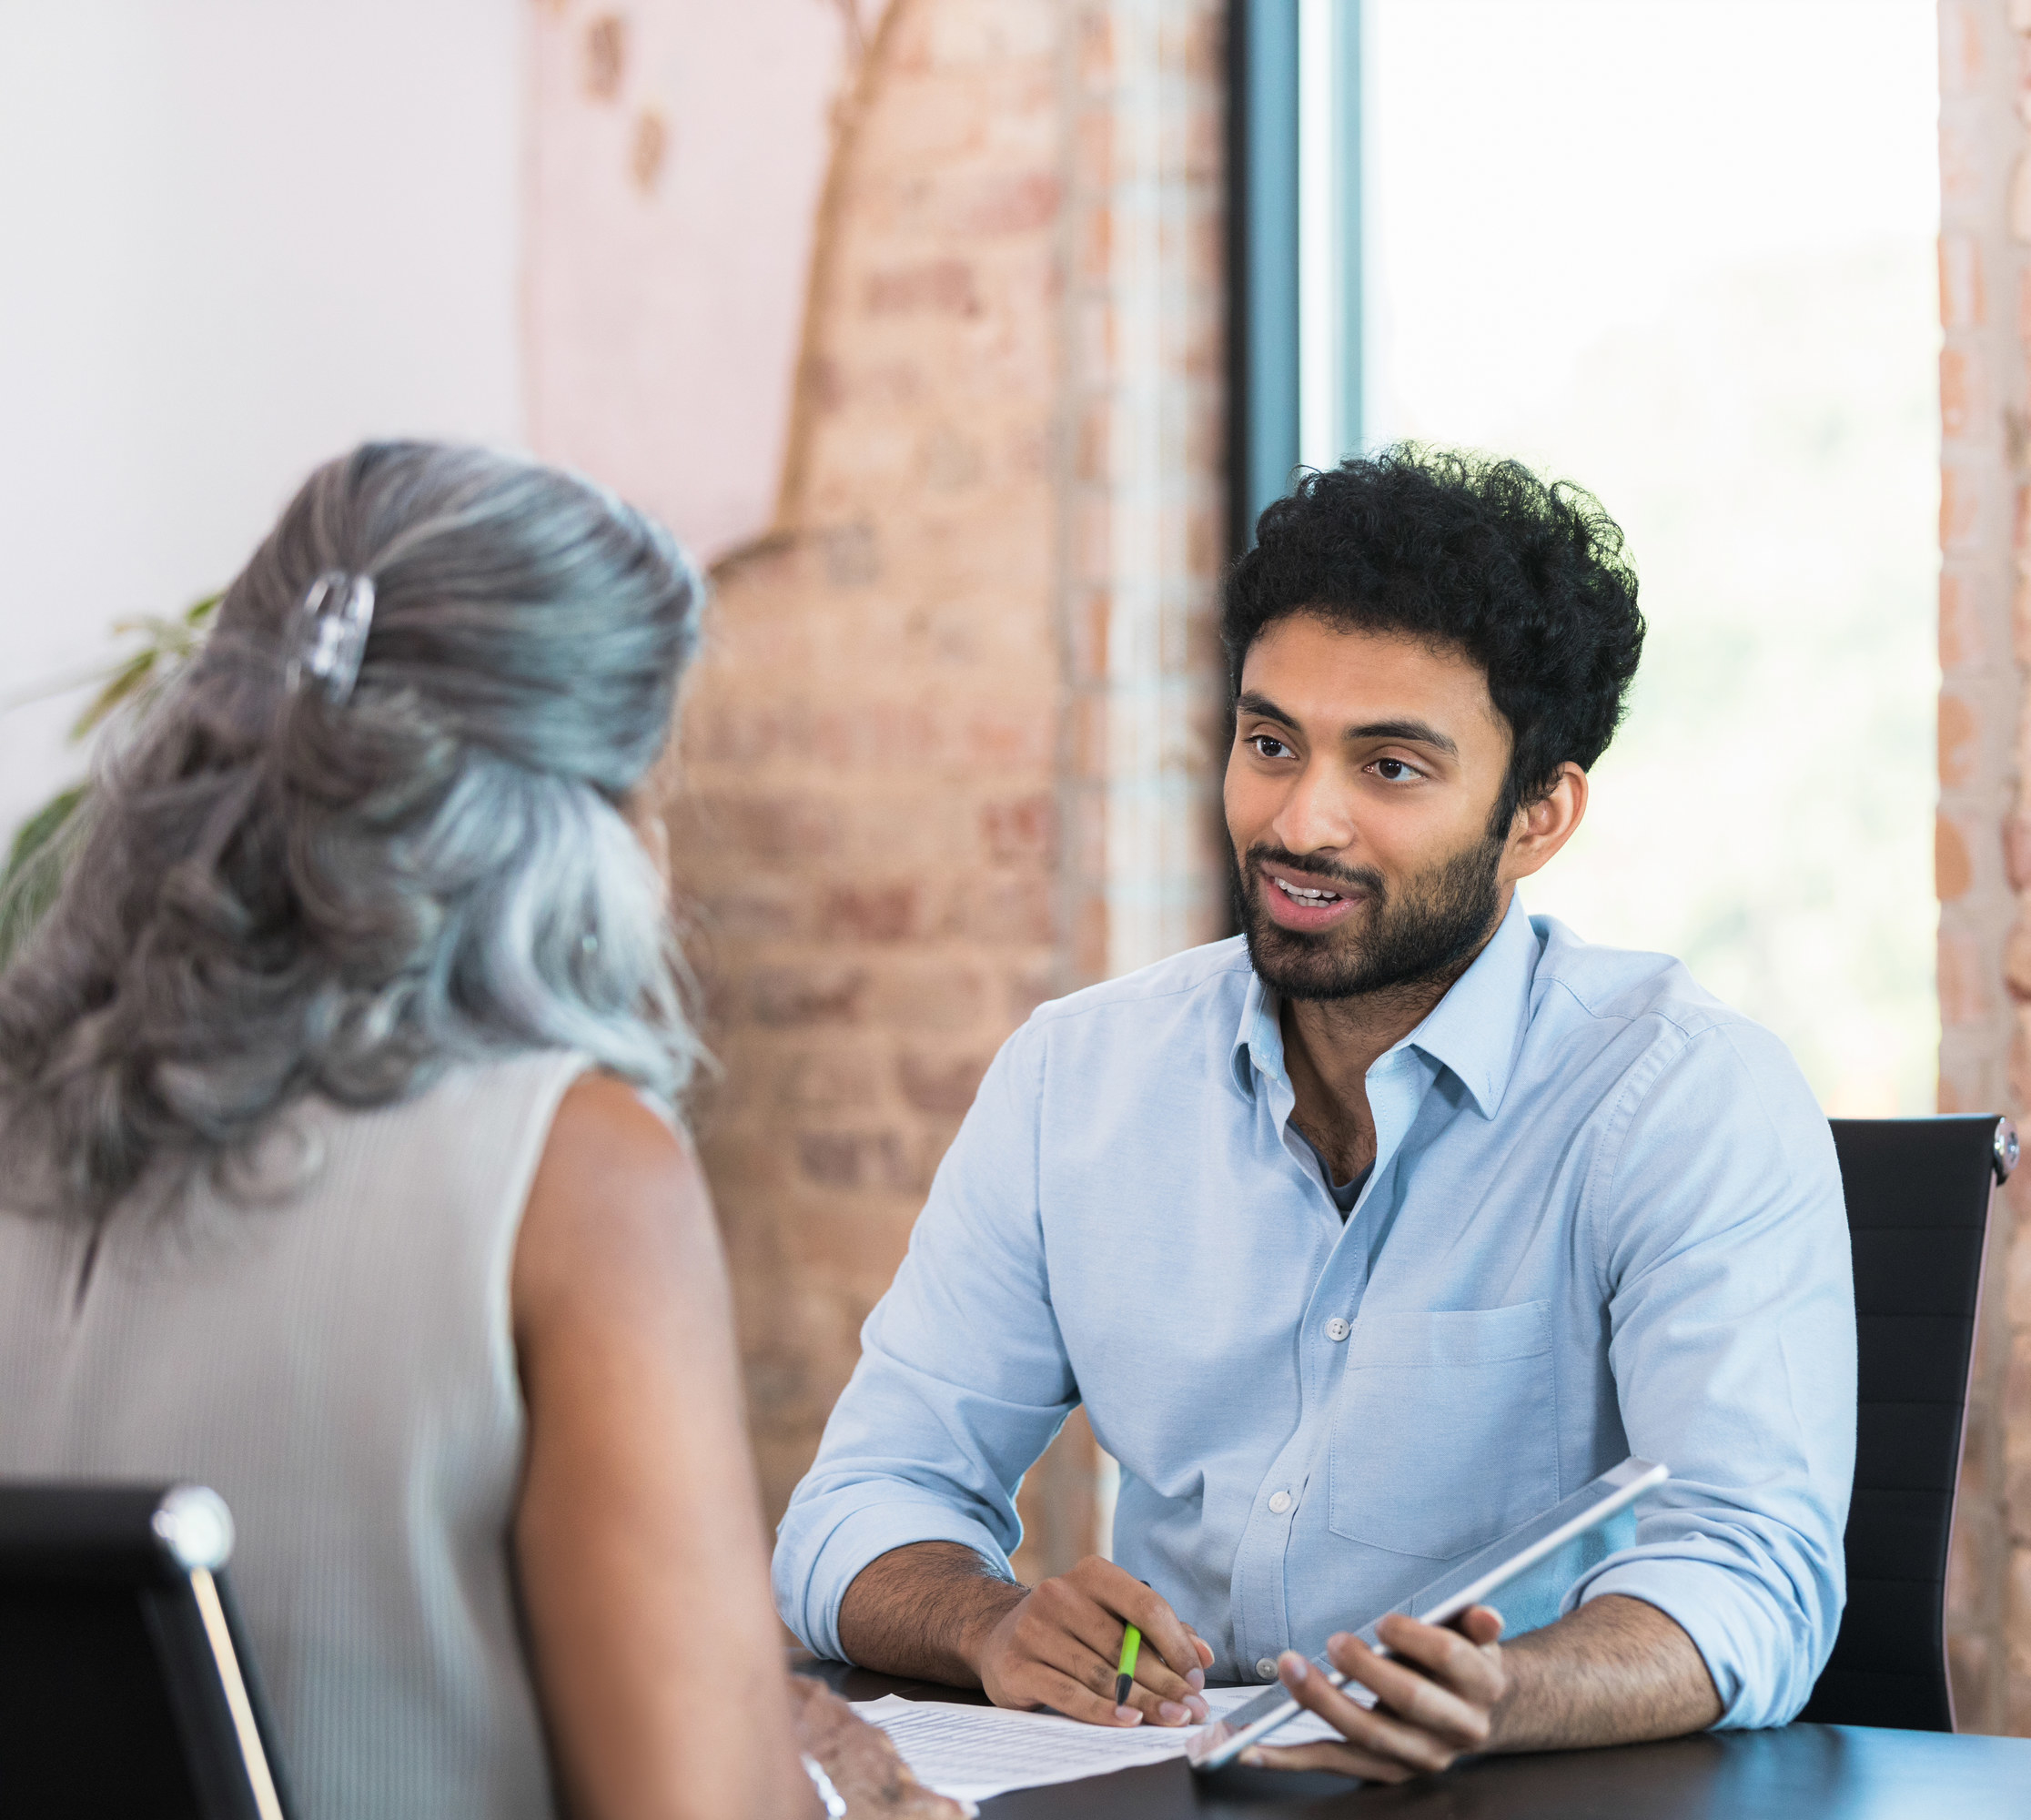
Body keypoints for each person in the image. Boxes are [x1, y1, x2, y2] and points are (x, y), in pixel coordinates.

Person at [775, 448, 1856, 1781]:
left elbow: (1755, 1574)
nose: (1303, 822)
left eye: (1392, 768)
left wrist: (1499, 1693)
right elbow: (855, 1509)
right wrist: (990, 1622)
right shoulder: (1077, 1080)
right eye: (1269, 742)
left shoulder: (1683, 1098)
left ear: (1537, 816)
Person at [0, 443, 953, 1820]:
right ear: (579, 826)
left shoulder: (28, 1129)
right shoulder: (573, 1175)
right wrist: (826, 1786)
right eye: (654, 787)